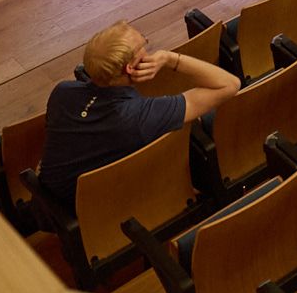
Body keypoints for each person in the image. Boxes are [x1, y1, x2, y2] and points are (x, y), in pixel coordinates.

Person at [36, 20, 239, 204]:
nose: (148, 47)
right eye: (145, 45)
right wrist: (170, 59)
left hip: (53, 198)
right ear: (131, 68)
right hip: (99, 207)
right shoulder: (139, 117)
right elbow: (229, 85)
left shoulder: (62, 92)